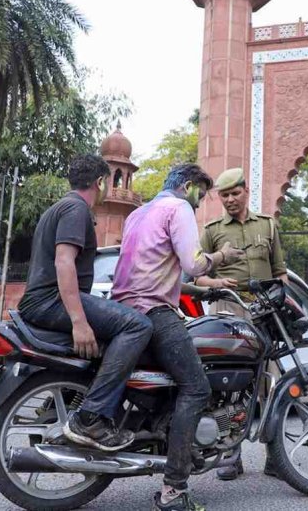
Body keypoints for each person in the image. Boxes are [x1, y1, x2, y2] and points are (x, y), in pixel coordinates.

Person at [111, 163, 244, 511]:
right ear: (187, 186)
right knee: (197, 387)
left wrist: (199, 293)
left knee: (174, 382)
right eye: (201, 193)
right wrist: (222, 257)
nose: (200, 202)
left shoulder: (139, 213)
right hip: (155, 313)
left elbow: (153, 270)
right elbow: (194, 261)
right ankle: (174, 489)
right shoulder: (178, 207)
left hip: (124, 312)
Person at [16, 154, 153, 452]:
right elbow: (64, 262)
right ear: (100, 182)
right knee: (138, 326)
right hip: (50, 301)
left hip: (43, 301)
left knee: (107, 344)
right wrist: (79, 321)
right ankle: (91, 417)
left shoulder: (60, 207)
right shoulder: (76, 210)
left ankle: (65, 401)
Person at [194, 167, 288, 481]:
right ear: (219, 198)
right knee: (230, 386)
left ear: (246, 192)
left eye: (236, 193)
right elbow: (197, 276)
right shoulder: (211, 230)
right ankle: (230, 457)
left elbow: (280, 272)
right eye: (225, 195)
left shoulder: (268, 225)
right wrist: (218, 281)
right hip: (228, 309)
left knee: (269, 385)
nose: (231, 200)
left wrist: (283, 303)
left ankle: (275, 457)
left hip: (264, 313)